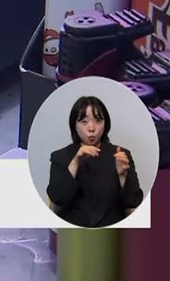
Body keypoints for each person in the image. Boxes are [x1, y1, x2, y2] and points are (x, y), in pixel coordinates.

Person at [47, 95, 144, 227]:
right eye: (84, 122)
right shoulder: (60, 156)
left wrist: (122, 175)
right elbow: (57, 198)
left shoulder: (121, 155)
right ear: (74, 125)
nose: (91, 128)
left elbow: (133, 201)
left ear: (105, 124)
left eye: (98, 121)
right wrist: (75, 162)